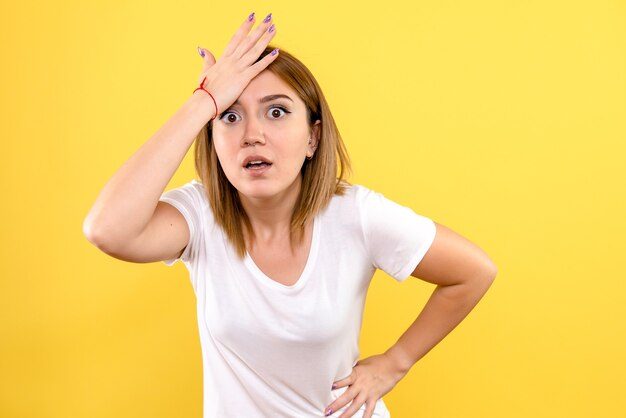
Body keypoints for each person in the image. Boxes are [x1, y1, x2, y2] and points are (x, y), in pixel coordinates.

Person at [83, 12, 497, 418]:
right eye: (230, 116)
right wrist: (202, 103)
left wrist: (394, 363)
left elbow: (474, 271)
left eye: (276, 112)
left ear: (313, 137)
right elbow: (107, 230)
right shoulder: (199, 216)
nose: (253, 134)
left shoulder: (357, 216)